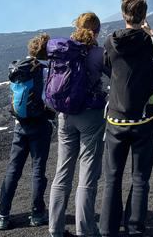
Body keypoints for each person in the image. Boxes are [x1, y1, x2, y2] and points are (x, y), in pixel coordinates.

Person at [99, 0, 153, 237]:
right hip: (144, 120)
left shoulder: (110, 41)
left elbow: (107, 63)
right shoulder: (150, 40)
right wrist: (152, 35)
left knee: (112, 179)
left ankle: (108, 231)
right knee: (140, 179)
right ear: (144, 15)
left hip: (115, 120)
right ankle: (135, 231)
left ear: (123, 14)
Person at [48, 12, 110, 237]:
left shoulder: (63, 51)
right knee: (87, 174)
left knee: (62, 172)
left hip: (64, 115)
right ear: (97, 31)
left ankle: (55, 229)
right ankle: (86, 230)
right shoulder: (96, 54)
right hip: (90, 117)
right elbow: (116, 74)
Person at [0, 34, 54, 230]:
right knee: (38, 171)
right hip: (40, 124)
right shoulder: (44, 70)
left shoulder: (19, 68)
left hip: (20, 126)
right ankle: (37, 213)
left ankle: (2, 215)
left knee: (13, 170)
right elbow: (49, 97)